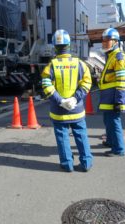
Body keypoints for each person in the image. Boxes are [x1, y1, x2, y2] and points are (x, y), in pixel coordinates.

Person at [41, 29, 93, 172]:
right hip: (77, 110)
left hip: (59, 111)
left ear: (54, 47)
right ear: (69, 45)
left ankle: (67, 164)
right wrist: (75, 99)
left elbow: (46, 85)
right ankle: (86, 163)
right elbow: (87, 83)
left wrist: (60, 101)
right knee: (81, 135)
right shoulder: (80, 64)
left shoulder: (51, 65)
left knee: (62, 137)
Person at [98, 28, 125, 157]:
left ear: (116, 41)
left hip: (114, 98)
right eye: (103, 40)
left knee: (114, 122)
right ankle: (111, 142)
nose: (104, 43)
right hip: (107, 97)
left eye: (108, 40)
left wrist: (119, 101)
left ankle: (118, 149)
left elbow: (122, 81)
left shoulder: (119, 57)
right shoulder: (111, 56)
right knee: (108, 121)